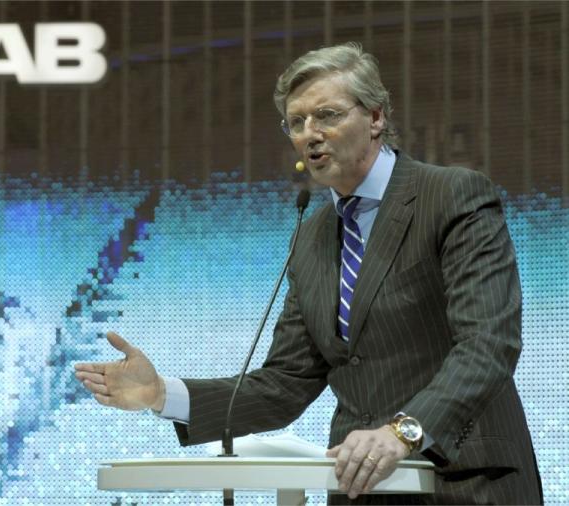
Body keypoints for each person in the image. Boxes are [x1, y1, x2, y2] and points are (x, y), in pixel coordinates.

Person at [75, 42, 543, 505]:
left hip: (466, 482)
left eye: (328, 115)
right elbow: (285, 384)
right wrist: (161, 395)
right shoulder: (314, 232)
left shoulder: (451, 195)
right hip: (360, 488)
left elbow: (488, 343)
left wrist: (403, 432)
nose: (310, 133)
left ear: (376, 117)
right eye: (296, 122)